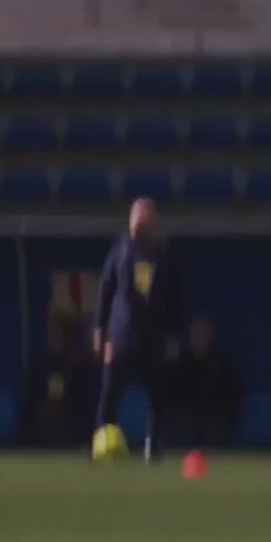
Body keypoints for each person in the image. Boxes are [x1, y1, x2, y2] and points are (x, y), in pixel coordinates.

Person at [93, 197, 182, 462]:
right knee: (111, 391)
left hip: (154, 336)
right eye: (136, 218)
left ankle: (153, 445)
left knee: (157, 393)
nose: (139, 225)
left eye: (144, 218)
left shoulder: (164, 254)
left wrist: (173, 335)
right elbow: (105, 291)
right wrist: (100, 331)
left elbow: (174, 298)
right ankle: (102, 441)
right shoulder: (120, 250)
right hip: (121, 335)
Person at [170, 318, 241, 447]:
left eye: (203, 334)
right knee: (180, 425)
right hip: (185, 417)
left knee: (216, 428)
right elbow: (172, 394)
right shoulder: (181, 364)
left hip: (214, 417)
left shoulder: (222, 364)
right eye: (196, 334)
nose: (199, 338)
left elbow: (233, 394)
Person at [24, 315, 92, 446]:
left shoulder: (80, 371)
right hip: (43, 432)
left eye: (66, 334)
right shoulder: (43, 368)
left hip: (71, 431)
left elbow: (81, 408)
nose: (61, 339)